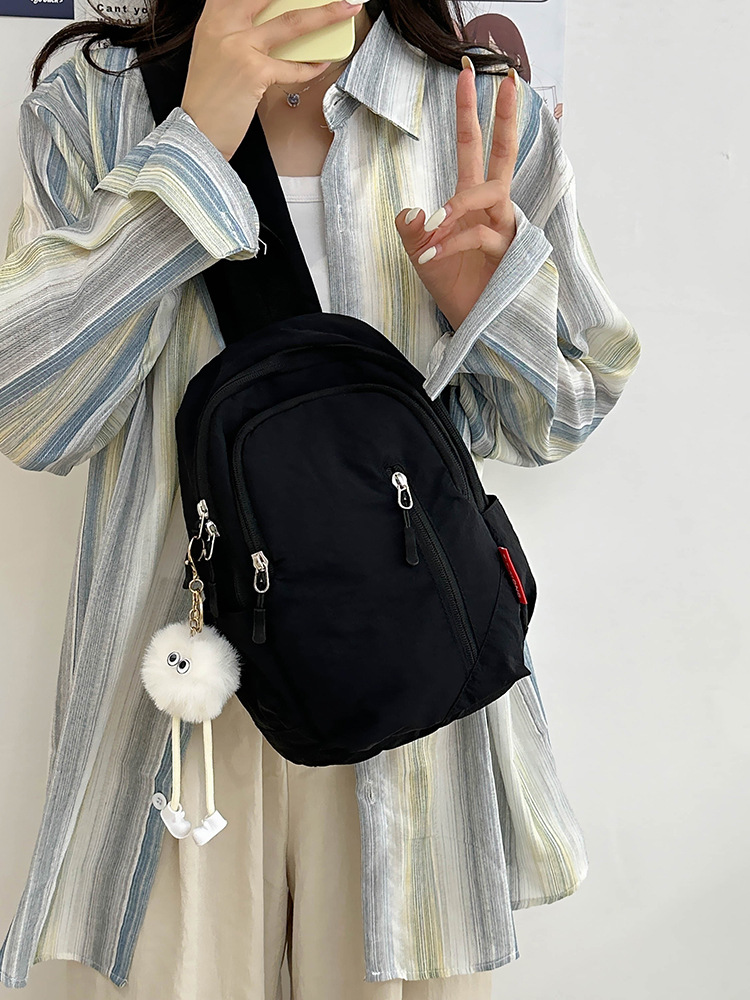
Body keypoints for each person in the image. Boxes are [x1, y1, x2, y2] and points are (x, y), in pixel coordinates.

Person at [0, 0, 642, 997]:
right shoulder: (96, 105)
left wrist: (491, 305)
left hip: (411, 710)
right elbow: (33, 414)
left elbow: (561, 412)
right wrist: (192, 148)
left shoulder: (474, 107)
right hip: (182, 708)